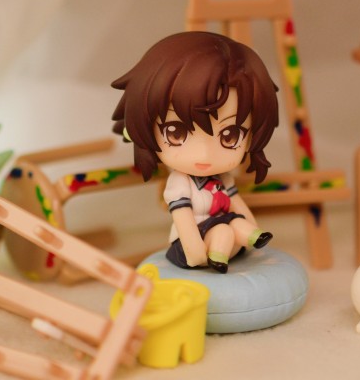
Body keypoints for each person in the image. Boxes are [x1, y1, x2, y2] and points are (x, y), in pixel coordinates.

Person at [111, 31, 279, 273]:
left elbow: (237, 204)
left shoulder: (224, 178)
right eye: (176, 132)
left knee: (234, 225)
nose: (204, 155)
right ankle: (217, 259)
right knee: (223, 230)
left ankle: (252, 239)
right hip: (190, 245)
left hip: (227, 238)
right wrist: (195, 254)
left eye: (230, 136)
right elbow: (184, 220)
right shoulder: (179, 183)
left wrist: (250, 232)